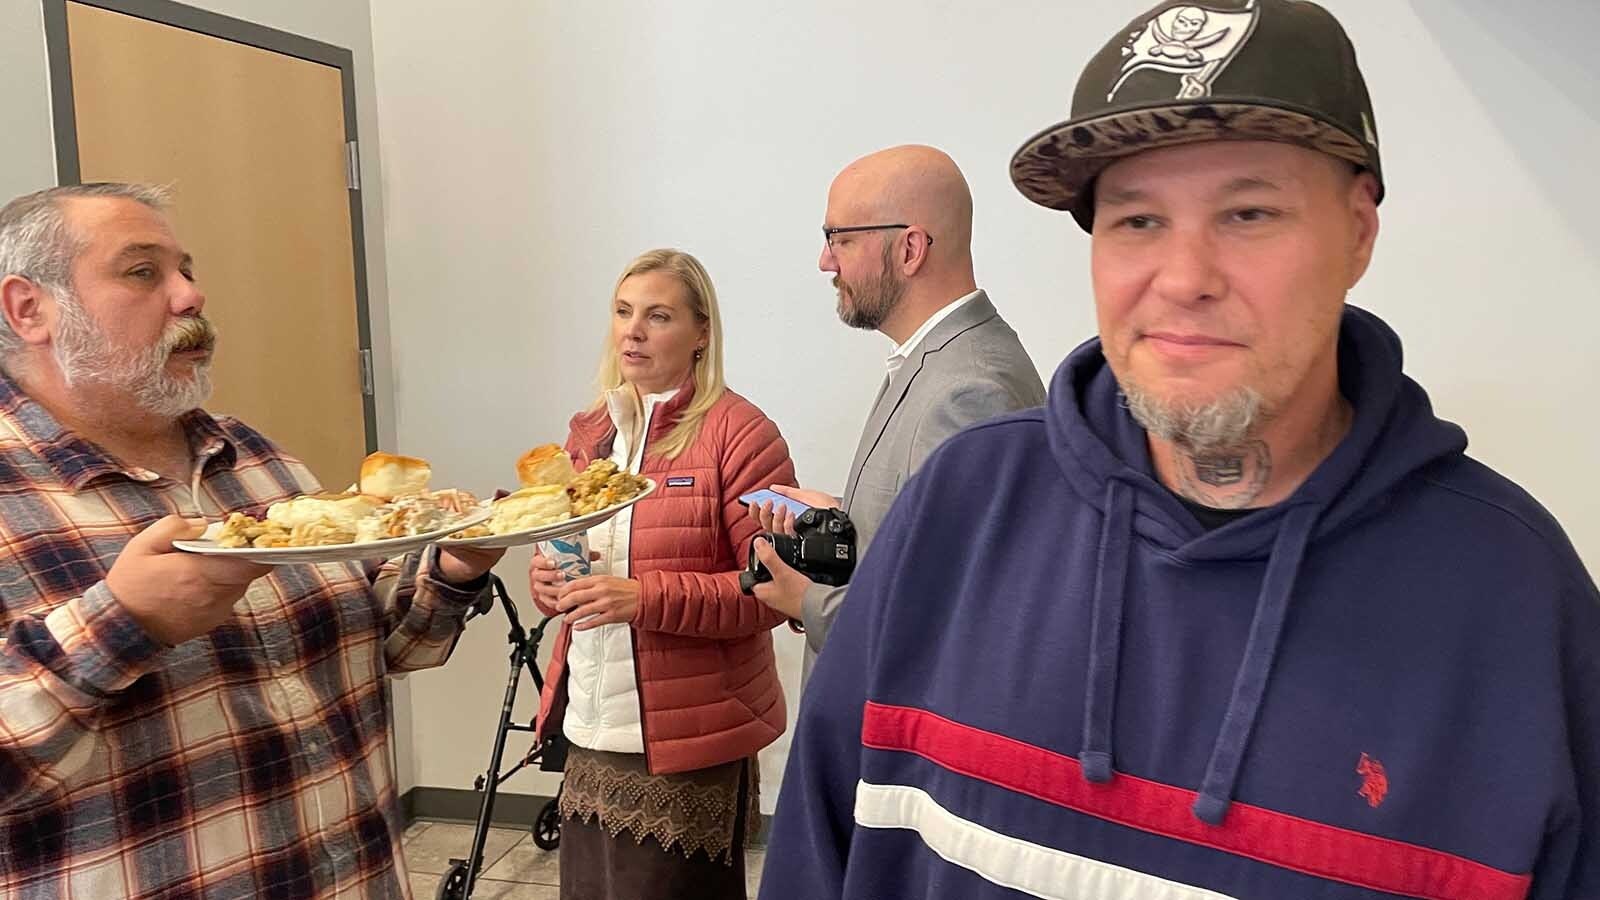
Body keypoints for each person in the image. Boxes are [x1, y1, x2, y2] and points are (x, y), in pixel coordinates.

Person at [762, 2, 1599, 898]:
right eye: (1137, 221)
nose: (1186, 279)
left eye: (1248, 212)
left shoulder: (1515, 604)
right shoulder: (962, 512)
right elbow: (819, 852)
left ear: (1358, 231)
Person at [0, 182, 504, 898]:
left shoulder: (255, 458)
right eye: (143, 272)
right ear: (29, 309)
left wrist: (454, 565)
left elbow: (385, 642)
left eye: (187, 271)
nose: (188, 297)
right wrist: (122, 624)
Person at [527, 249, 797, 900]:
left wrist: (644, 598)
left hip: (690, 741)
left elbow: (770, 594)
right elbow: (570, 547)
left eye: (658, 316)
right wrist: (547, 578)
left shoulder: (742, 435)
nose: (632, 331)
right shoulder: (590, 433)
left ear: (702, 333)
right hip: (592, 726)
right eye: (623, 313)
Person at [747, 145, 1044, 683]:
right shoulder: (937, 360)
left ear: (910, 249)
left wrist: (806, 600)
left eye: (840, 238)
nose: (825, 261)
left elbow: (942, 614)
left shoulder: (969, 390)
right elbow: (927, 542)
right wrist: (845, 516)